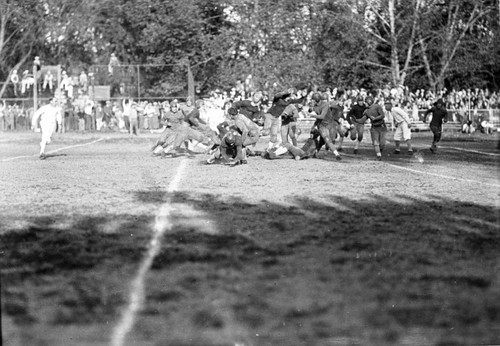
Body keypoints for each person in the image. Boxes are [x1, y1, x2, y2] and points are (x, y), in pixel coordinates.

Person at [308, 92, 342, 160]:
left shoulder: (325, 105)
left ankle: (316, 151)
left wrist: (312, 115)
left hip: (330, 124)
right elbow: (311, 111)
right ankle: (336, 154)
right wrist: (311, 110)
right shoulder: (314, 106)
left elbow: (322, 116)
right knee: (327, 139)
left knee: (328, 140)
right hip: (321, 125)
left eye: (312, 99)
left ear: (315, 100)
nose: (311, 101)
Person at [364, 96, 387, 160]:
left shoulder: (377, 106)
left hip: (381, 126)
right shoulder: (366, 111)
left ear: (369, 101)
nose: (365, 104)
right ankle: (378, 155)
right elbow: (363, 119)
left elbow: (382, 115)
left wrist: (375, 118)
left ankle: (380, 151)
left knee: (382, 143)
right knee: (375, 142)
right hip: (374, 127)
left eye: (366, 102)